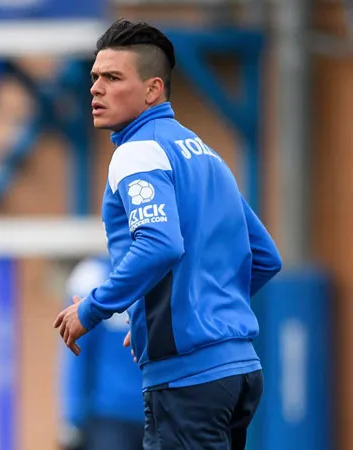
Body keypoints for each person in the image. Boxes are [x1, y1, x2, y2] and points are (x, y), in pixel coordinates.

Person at [53, 19, 283, 450]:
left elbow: (159, 243)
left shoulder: (137, 152)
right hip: (238, 373)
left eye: (113, 77)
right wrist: (169, 317)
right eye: (95, 77)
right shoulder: (206, 154)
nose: (96, 89)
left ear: (153, 90)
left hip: (187, 379)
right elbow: (265, 256)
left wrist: (93, 310)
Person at [58, 256, 144, 450]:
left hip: (162, 412)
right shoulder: (91, 276)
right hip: (109, 416)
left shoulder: (165, 267)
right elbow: (76, 351)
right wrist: (72, 417)